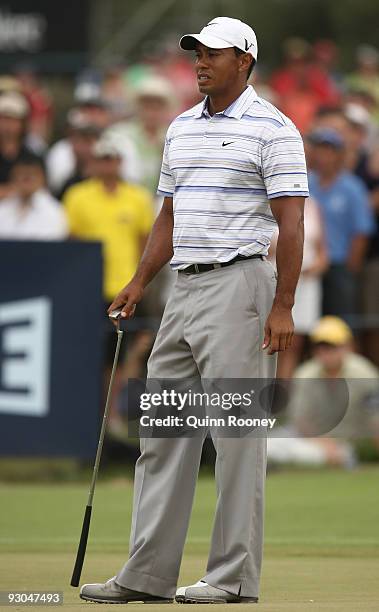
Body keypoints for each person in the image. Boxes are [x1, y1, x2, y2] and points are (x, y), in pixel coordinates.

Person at [80, 17, 308, 605]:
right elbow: (169, 216)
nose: (200, 62)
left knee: (235, 440)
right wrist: (138, 280)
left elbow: (291, 224)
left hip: (243, 288)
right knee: (163, 435)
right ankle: (146, 575)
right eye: (196, 53)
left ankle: (232, 577)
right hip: (182, 289)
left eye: (213, 53)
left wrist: (283, 305)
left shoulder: (274, 129)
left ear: (245, 61)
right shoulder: (181, 127)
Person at [64, 138, 154, 431]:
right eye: (102, 159)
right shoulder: (77, 196)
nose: (107, 165)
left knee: (122, 354)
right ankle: (92, 415)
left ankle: (112, 415)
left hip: (125, 287)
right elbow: (72, 244)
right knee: (93, 355)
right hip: (90, 288)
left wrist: (141, 281)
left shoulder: (137, 198)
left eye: (112, 159)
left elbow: (145, 243)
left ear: (120, 162)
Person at [268, 316, 379, 468]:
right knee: (261, 444)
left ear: (347, 346)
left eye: (332, 346)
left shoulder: (364, 373)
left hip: (346, 445)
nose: (325, 352)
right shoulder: (305, 374)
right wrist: (323, 442)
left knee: (312, 456)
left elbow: (376, 419)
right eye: (320, 346)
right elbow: (301, 421)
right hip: (308, 439)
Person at [308, 127, 375, 323]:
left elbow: (361, 232)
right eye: (320, 150)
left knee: (341, 322)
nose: (324, 156)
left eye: (330, 150)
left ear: (340, 155)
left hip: (339, 265)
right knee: (307, 325)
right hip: (308, 266)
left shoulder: (352, 187)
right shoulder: (305, 183)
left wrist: (349, 269)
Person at [269, 196, 329, 378]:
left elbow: (322, 251)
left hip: (306, 285)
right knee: (268, 343)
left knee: (294, 344)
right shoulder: (264, 204)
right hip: (272, 281)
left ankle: (284, 399)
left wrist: (316, 266)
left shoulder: (312, 205)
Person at [0, 152, 68, 240]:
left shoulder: (55, 211)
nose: (27, 180)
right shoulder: (3, 208)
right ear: (12, 177)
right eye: (21, 174)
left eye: (32, 175)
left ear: (43, 178)